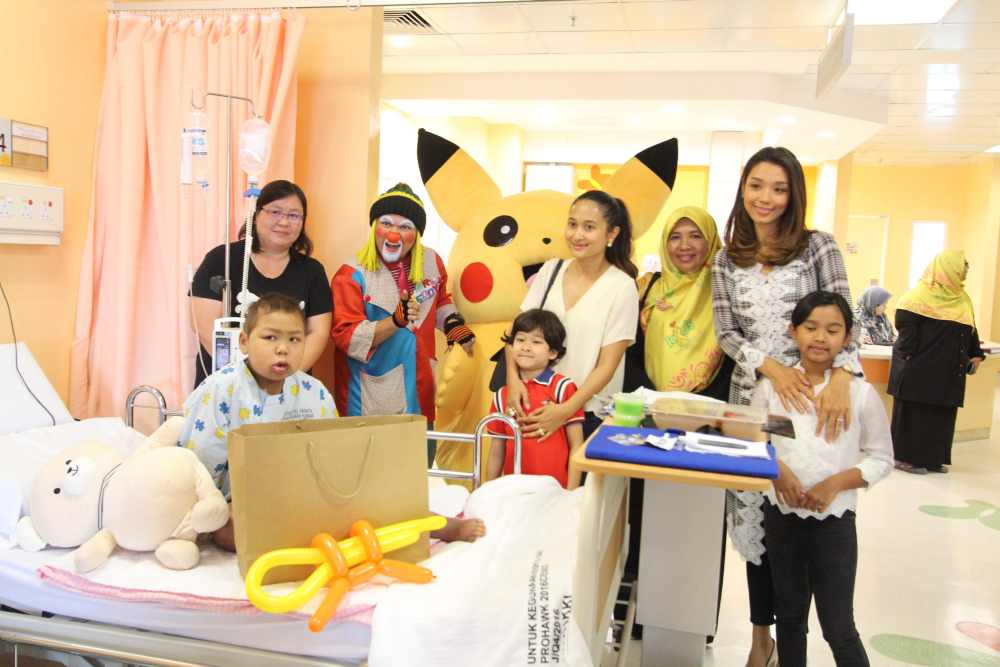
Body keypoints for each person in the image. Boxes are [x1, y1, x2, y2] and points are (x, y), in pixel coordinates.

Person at [179, 293, 485, 551]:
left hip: (309, 494)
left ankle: (441, 526)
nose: (283, 348)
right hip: (244, 499)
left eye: (294, 339)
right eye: (270, 337)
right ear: (244, 341)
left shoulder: (313, 392)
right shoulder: (222, 389)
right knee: (232, 530)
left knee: (383, 503)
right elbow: (200, 466)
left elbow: (335, 456)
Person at [712, 146, 861, 667]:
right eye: (756, 185)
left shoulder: (818, 246)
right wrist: (769, 366)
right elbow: (726, 332)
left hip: (810, 403)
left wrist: (842, 375)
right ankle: (761, 640)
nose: (766, 198)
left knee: (798, 512)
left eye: (779, 188)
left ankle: (811, 632)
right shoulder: (726, 257)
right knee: (755, 522)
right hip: (750, 403)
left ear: (794, 193)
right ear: (743, 188)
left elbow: (847, 316)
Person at [756, 291, 892, 667]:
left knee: (837, 625)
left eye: (832, 330)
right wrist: (778, 472)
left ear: (847, 338)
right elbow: (757, 441)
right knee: (789, 617)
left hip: (834, 525)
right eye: (810, 327)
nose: (820, 338)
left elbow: (882, 458)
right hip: (781, 517)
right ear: (793, 331)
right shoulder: (772, 388)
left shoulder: (859, 394)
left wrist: (834, 484)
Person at [330, 184, 475, 466]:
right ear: (374, 227)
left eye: (405, 226)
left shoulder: (432, 262)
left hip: (420, 386)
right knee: (372, 475)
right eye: (386, 223)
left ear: (416, 234)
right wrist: (393, 322)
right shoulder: (351, 274)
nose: (394, 233)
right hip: (369, 397)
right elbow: (346, 336)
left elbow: (441, 299)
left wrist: (454, 325)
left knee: (419, 472)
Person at [506, 190, 639, 441]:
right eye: (572, 224)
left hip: (590, 416)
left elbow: (607, 365)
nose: (577, 235)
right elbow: (516, 335)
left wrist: (566, 410)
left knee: (579, 481)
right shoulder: (550, 270)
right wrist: (513, 381)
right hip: (537, 408)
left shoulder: (622, 286)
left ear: (612, 234)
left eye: (589, 227)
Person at [190, 180, 332, 388]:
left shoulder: (312, 271)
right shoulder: (222, 259)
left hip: (287, 387)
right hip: (225, 385)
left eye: (294, 215)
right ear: (256, 214)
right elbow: (203, 326)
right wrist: (248, 379)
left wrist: (283, 377)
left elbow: (317, 333)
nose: (284, 222)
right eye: (275, 212)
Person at [889, 250, 984, 475]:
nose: (964, 276)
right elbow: (906, 337)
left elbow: (970, 330)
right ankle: (904, 458)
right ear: (947, 269)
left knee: (941, 417)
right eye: (961, 270)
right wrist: (909, 363)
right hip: (919, 371)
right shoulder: (915, 298)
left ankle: (932, 458)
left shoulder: (962, 299)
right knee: (915, 415)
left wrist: (976, 353)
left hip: (949, 372)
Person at [635, 206, 733, 400]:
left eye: (696, 236)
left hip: (709, 408)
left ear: (711, 240)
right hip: (647, 405)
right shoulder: (647, 286)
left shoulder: (727, 289)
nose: (684, 245)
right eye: (675, 237)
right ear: (665, 243)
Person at [487, 309, 584, 488]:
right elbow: (496, 450)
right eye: (520, 340)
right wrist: (486, 490)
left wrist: (571, 493)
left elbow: (577, 444)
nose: (525, 347)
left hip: (555, 492)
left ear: (553, 353)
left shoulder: (563, 388)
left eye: (536, 342)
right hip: (512, 492)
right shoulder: (502, 395)